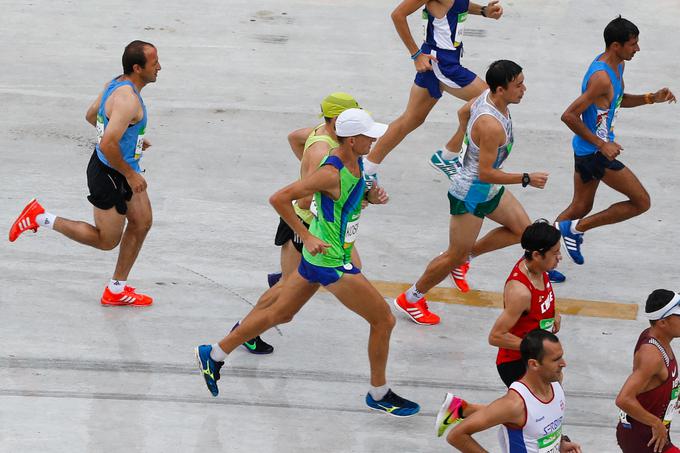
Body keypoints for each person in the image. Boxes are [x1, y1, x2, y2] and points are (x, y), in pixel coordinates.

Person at [195, 109, 418, 417]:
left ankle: (215, 353)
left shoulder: (358, 161)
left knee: (281, 313)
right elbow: (279, 198)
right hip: (331, 260)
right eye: (369, 135)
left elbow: (349, 196)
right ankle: (378, 393)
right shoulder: (330, 171)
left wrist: (370, 196)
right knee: (384, 320)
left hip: (319, 258)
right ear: (352, 140)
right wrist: (305, 235)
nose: (375, 139)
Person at [394, 60, 548, 326]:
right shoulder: (491, 126)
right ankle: (411, 298)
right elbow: (484, 173)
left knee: (524, 233)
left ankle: (465, 258)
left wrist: (462, 142)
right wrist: (526, 178)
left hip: (486, 187)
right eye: (518, 85)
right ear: (500, 89)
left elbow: (463, 112)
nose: (524, 89)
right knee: (452, 254)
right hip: (471, 192)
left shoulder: (485, 97)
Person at [8, 40, 161, 306]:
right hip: (110, 174)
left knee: (142, 222)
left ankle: (116, 289)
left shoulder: (117, 82)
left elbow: (92, 116)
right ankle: (40, 217)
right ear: (138, 68)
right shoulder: (128, 100)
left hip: (121, 168)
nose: (160, 67)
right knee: (106, 240)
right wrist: (130, 173)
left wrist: (130, 136)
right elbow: (106, 143)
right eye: (154, 62)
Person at [233, 93, 377, 355]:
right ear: (337, 121)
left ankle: (254, 318)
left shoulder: (321, 134)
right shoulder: (325, 151)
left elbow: (294, 137)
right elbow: (303, 201)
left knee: (349, 267)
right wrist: (340, 199)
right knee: (288, 292)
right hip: (310, 227)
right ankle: (244, 330)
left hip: (319, 230)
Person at [555, 16, 676, 267]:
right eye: (633, 44)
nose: (638, 49)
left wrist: (651, 98)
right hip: (594, 153)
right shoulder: (601, 78)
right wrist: (602, 144)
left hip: (589, 150)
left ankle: (538, 256)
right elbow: (569, 116)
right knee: (641, 202)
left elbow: (618, 100)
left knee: (580, 206)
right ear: (615, 46)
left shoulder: (617, 66)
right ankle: (575, 230)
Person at [361, 0, 503, 187]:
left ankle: (367, 168)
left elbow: (460, 4)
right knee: (491, 101)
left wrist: (483, 11)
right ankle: (448, 156)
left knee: (411, 119)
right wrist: (416, 54)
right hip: (442, 63)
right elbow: (398, 15)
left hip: (439, 61)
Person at [437, 329, 581, 452]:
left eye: (561, 356)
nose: (564, 363)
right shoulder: (514, 404)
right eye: (556, 359)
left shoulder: (556, 382)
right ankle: (461, 409)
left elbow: (544, 423)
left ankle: (461, 408)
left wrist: (560, 444)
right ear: (534, 364)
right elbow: (456, 436)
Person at [489, 220, 562, 387]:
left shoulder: (539, 267)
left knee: (543, 407)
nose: (560, 257)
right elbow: (495, 336)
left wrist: (554, 313)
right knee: (533, 410)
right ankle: (461, 409)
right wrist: (535, 348)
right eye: (555, 253)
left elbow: (542, 300)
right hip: (518, 363)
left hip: (539, 358)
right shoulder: (520, 292)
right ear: (537, 255)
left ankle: (460, 408)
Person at [616, 289, 680, 453]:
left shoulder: (656, 336)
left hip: (653, 436)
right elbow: (623, 399)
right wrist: (656, 423)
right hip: (645, 439)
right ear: (662, 323)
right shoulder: (651, 355)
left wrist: (674, 391)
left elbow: (653, 384)